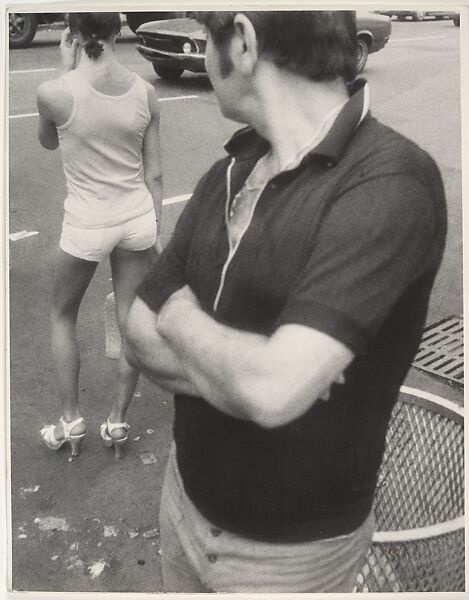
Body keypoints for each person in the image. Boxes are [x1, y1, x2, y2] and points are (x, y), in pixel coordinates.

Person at [126, 10, 447, 593]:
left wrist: (178, 312)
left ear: (243, 42)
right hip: (183, 503)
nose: (203, 56)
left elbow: (270, 389)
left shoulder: (390, 182)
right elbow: (138, 333)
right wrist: (253, 378)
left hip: (292, 557)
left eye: (205, 40)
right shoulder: (228, 171)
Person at [37, 12, 162, 459]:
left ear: (72, 33)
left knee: (62, 315)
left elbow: (49, 142)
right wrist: (155, 232)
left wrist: (62, 70)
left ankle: (71, 421)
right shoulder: (145, 92)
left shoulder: (54, 92)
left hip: (88, 222)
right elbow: (156, 172)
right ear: (119, 29)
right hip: (136, 219)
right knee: (130, 319)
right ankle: (117, 421)